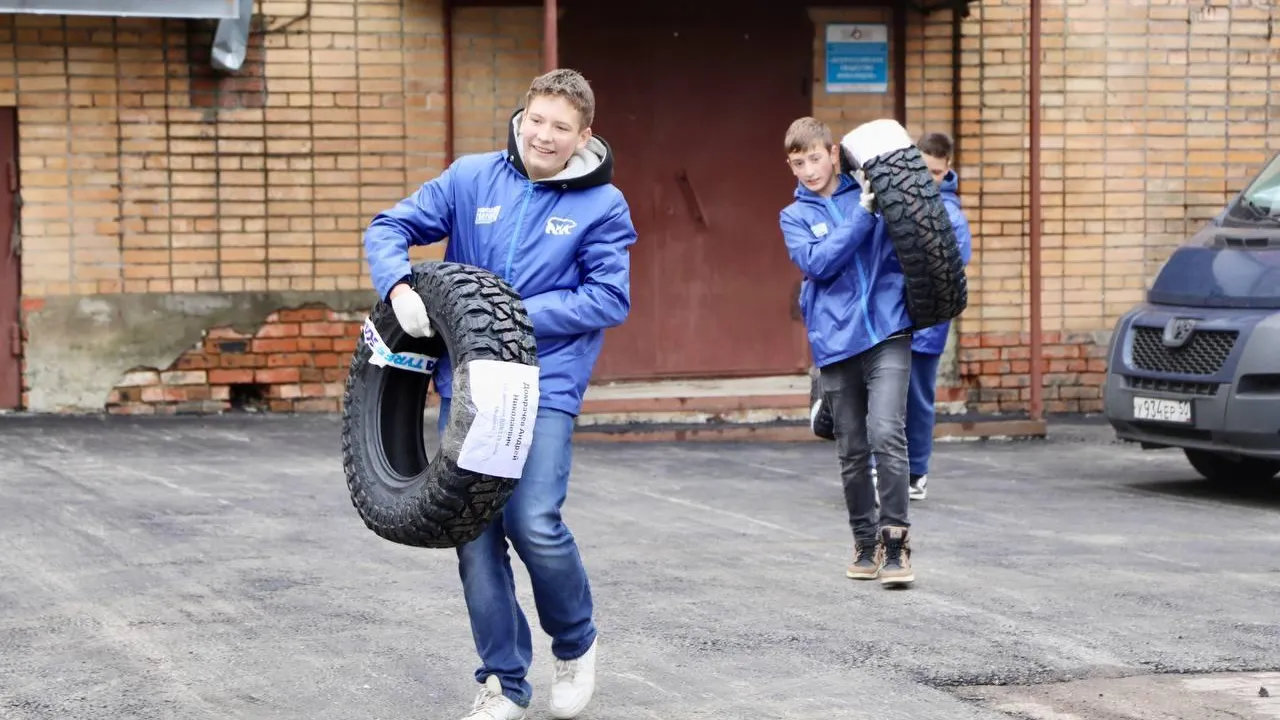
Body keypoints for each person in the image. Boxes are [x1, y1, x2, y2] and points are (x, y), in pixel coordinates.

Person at [362, 68, 637, 720]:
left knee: (533, 521)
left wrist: (504, 314)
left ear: (583, 136)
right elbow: (388, 226)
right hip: (471, 386)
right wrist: (400, 289)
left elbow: (608, 297)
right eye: (537, 120)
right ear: (523, 116)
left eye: (561, 128)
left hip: (547, 384)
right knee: (475, 531)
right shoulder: (471, 178)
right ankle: (503, 683)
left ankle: (574, 642)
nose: (544, 135)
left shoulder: (604, 206)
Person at [779, 116, 915, 588]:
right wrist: (863, 212)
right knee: (853, 449)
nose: (809, 170)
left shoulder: (875, 194)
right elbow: (818, 262)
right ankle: (864, 540)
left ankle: (895, 542)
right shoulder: (794, 216)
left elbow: (920, 231)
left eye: (815, 158)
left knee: (887, 433)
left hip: (887, 330)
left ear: (833, 154)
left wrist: (894, 196)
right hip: (836, 342)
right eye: (798, 163)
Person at [906, 132, 973, 501]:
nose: (927, 177)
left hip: (927, 324)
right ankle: (879, 469)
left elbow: (955, 261)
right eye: (922, 168)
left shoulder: (951, 215)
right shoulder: (897, 200)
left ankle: (916, 472)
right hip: (892, 321)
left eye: (934, 171)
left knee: (916, 399)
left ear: (947, 170)